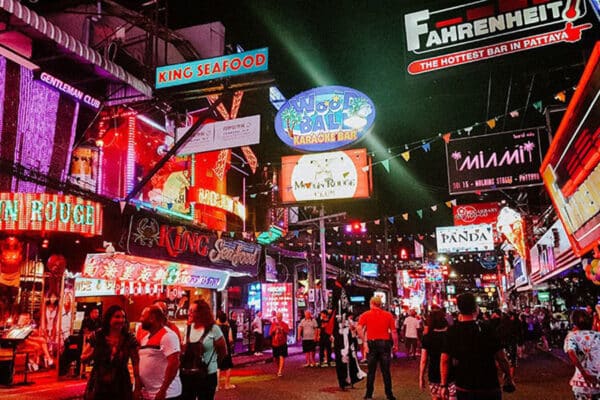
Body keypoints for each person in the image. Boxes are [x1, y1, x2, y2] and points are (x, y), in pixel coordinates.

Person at [440, 293, 515, 400]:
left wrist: (444, 385)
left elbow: (445, 360)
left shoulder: (452, 331)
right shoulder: (487, 328)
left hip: (464, 385)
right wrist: (508, 375)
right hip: (489, 384)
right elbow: (501, 357)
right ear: (475, 307)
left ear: (459, 308)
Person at [80, 305, 140, 400]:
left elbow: (136, 364)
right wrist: (95, 352)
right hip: (98, 382)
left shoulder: (129, 339)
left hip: (121, 383)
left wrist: (137, 388)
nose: (121, 320)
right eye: (117, 317)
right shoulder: (98, 336)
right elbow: (83, 357)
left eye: (123, 317)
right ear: (108, 318)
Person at [180, 299, 227, 400]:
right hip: (188, 375)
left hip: (207, 375)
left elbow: (223, 350)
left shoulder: (214, 329)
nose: (189, 313)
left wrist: (213, 363)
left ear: (201, 313)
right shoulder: (188, 328)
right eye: (189, 310)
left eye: (193, 311)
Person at [357, 296, 399, 400]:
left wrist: (364, 340)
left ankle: (369, 394)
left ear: (371, 303)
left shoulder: (365, 315)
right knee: (386, 371)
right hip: (385, 343)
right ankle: (389, 394)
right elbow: (393, 332)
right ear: (380, 304)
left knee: (371, 371)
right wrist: (396, 344)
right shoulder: (388, 315)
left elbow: (359, 328)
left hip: (372, 343)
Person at [138, 305, 182, 400]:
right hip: (150, 393)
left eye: (143, 316)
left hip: (167, 394)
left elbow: (174, 364)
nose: (140, 319)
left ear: (152, 318)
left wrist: (163, 390)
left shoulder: (168, 336)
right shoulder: (145, 338)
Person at [419, 309, 455, 400]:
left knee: (436, 397)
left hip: (434, 373)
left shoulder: (427, 338)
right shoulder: (450, 336)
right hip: (451, 373)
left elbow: (423, 360)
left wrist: (421, 377)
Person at [564, 309, 600, 400]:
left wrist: (584, 374)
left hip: (582, 382)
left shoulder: (572, 336)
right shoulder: (597, 335)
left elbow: (571, 352)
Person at [216, 310, 235, 390]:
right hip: (226, 349)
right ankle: (227, 384)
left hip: (217, 349)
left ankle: (217, 385)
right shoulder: (228, 327)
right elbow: (230, 339)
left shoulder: (216, 328)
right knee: (228, 366)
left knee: (218, 367)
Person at [270, 311, 290, 377]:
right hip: (275, 343)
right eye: (278, 317)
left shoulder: (285, 324)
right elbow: (270, 333)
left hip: (282, 343)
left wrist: (282, 329)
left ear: (282, 317)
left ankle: (280, 370)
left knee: (282, 356)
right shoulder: (273, 324)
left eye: (280, 317)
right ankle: (279, 368)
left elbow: (287, 332)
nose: (279, 318)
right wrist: (274, 329)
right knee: (276, 358)